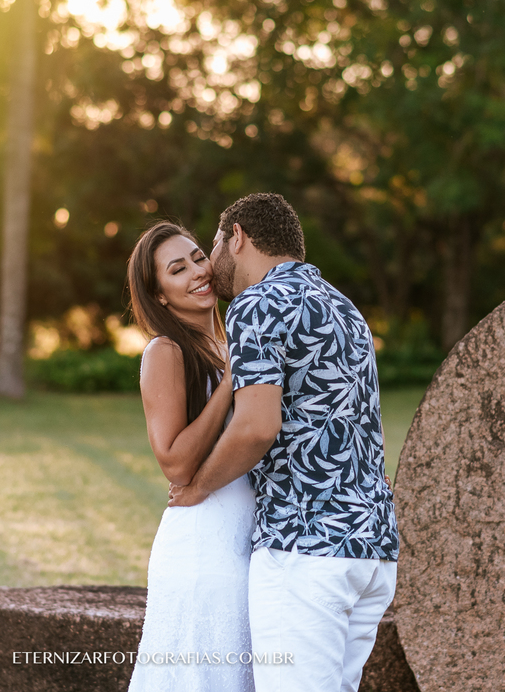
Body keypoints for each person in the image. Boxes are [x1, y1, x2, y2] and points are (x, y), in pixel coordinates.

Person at [169, 192, 399, 692]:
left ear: (238, 237)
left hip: (307, 548)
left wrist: (199, 486)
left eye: (213, 245)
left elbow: (256, 426)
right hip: (372, 550)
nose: (211, 264)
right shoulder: (344, 307)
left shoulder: (256, 304)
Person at [126, 221, 256, 692]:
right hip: (204, 550)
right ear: (160, 295)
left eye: (199, 257)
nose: (198, 272)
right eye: (178, 270)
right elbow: (176, 464)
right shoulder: (166, 351)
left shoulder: (229, 340)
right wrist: (228, 383)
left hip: (247, 542)